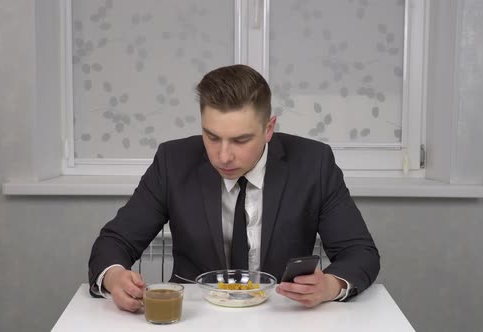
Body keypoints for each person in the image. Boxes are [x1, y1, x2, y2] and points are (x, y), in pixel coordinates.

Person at [88, 64, 380, 312]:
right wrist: (114, 277)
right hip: (195, 316)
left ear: (269, 129)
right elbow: (115, 241)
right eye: (212, 137)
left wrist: (330, 285)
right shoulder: (173, 162)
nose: (223, 155)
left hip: (282, 314)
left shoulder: (313, 163)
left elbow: (359, 251)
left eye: (240, 140)